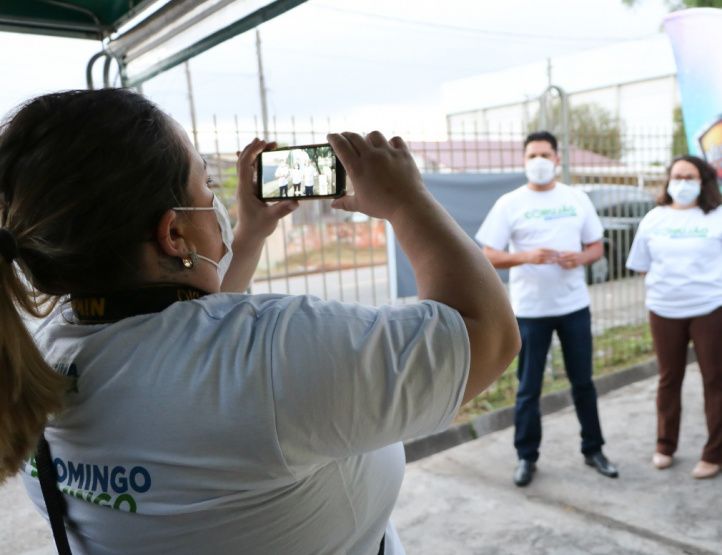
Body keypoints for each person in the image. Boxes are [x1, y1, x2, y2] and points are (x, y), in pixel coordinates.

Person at [0, 89, 520, 554]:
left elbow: (185, 346)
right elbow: (488, 335)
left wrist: (248, 236)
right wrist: (407, 201)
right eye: (205, 184)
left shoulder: (36, 355)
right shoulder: (274, 355)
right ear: (174, 236)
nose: (216, 201)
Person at [476, 130, 618, 487]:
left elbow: (596, 247)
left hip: (574, 307)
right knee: (528, 388)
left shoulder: (576, 198)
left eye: (545, 155)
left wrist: (581, 258)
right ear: (524, 161)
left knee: (583, 382)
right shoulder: (510, 203)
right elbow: (487, 254)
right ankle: (526, 457)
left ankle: (593, 449)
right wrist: (525, 256)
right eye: (531, 156)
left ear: (557, 159)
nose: (538, 162)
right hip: (529, 312)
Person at [625, 155, 722, 480]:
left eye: (689, 176)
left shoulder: (721, 218)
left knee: (714, 379)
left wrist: (706, 285)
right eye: (677, 176)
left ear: (703, 181)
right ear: (668, 181)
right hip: (664, 311)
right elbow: (642, 265)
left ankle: (714, 454)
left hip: (710, 311)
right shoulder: (654, 219)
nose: (682, 183)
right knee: (669, 379)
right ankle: (665, 445)